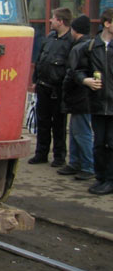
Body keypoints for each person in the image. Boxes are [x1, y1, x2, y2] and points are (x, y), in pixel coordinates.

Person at [29, 7, 73, 166]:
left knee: (59, 125)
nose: (50, 21)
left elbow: (70, 67)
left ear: (61, 21)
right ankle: (41, 154)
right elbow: (41, 59)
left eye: (53, 18)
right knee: (43, 123)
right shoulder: (50, 37)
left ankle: (59, 157)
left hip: (58, 89)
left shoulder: (70, 42)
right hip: (43, 86)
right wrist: (35, 80)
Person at [79, 8, 113, 195]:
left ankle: (110, 180)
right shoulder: (92, 47)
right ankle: (101, 178)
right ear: (107, 24)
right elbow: (77, 70)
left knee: (111, 143)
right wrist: (85, 80)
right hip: (98, 103)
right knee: (99, 143)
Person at [57, 15, 94, 180]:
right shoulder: (88, 45)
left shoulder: (79, 48)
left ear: (74, 29)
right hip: (79, 96)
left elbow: (73, 72)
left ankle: (88, 166)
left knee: (81, 132)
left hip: (81, 97)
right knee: (74, 131)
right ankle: (75, 162)